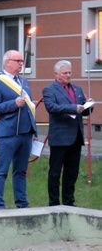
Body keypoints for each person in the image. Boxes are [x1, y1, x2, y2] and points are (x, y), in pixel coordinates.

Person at [0, 49, 37, 210]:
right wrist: (13, 104)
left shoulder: (24, 82)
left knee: (21, 170)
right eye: (18, 61)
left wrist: (33, 130)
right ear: (7, 62)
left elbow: (29, 108)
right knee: (2, 170)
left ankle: (22, 203)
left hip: (25, 132)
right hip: (8, 132)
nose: (21, 64)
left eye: (22, 61)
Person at [42, 60, 94, 206]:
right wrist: (73, 108)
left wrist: (89, 105)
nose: (68, 75)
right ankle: (54, 202)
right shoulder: (49, 89)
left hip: (76, 136)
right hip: (60, 137)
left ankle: (68, 201)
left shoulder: (77, 89)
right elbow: (51, 107)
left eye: (70, 72)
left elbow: (84, 110)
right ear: (56, 74)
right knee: (55, 172)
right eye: (65, 73)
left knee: (72, 172)